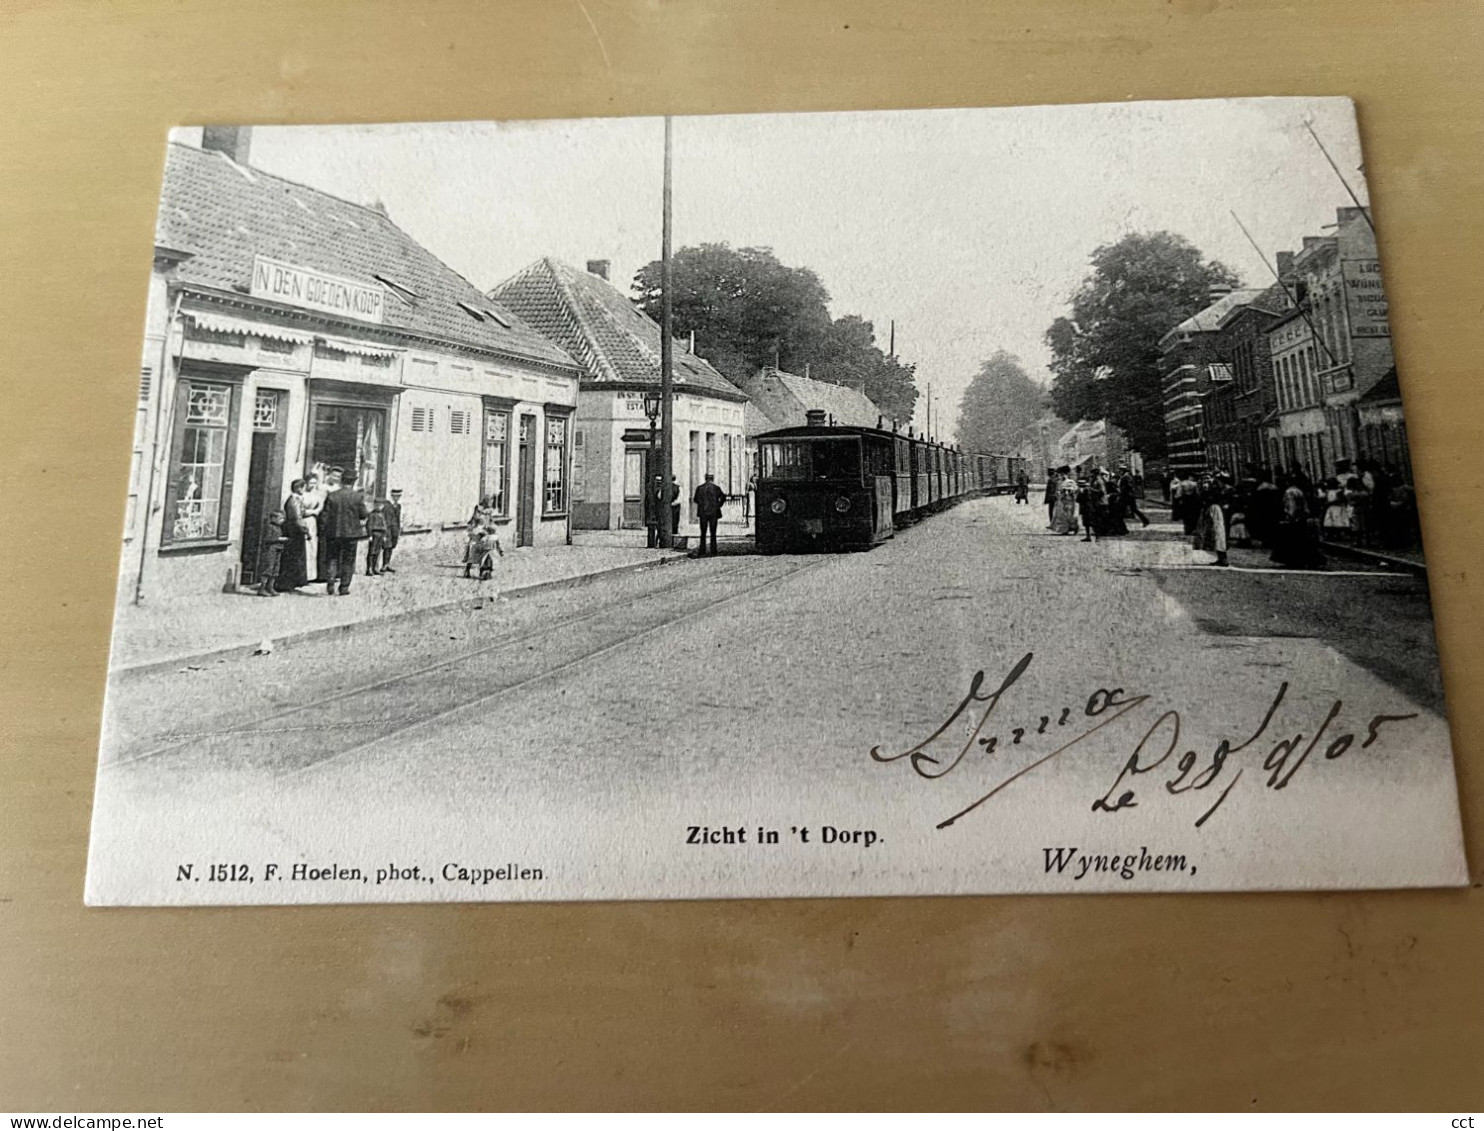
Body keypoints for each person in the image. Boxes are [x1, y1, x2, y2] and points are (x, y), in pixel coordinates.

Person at [319, 468, 369, 595]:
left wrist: (323, 531)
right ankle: (344, 587)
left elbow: (324, 516)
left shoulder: (332, 496)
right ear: (353, 482)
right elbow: (363, 515)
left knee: (332, 558)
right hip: (351, 535)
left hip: (334, 533)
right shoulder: (357, 497)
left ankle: (330, 582)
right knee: (348, 560)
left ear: (342, 481)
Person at [275, 478, 311, 591]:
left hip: (294, 529)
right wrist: (305, 530)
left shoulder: (296, 499)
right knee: (293, 557)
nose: (304, 490)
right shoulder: (294, 500)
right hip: (294, 531)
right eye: (303, 487)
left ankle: (290, 583)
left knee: (294, 557)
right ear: (299, 488)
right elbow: (297, 518)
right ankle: (287, 584)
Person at [1192, 478, 1229, 566]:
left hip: (1213, 510)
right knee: (1213, 534)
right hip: (1209, 510)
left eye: (1207, 482)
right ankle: (1220, 558)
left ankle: (1223, 558)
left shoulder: (1214, 491)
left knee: (1217, 533)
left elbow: (1207, 499)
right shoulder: (1210, 491)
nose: (1205, 484)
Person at [255, 510, 287, 597]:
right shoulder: (269, 527)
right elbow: (267, 539)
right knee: (268, 568)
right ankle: (262, 588)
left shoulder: (278, 528)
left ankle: (270, 587)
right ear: (273, 518)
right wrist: (279, 539)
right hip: (270, 550)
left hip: (278, 549)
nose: (282, 520)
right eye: (280, 518)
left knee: (275, 569)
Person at [694, 472, 726, 556]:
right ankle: (713, 551)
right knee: (713, 532)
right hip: (714, 513)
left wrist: (702, 505)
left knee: (703, 532)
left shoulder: (699, 488)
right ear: (713, 478)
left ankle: (702, 551)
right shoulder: (716, 488)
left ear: (705, 478)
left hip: (703, 513)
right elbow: (723, 497)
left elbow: (695, 499)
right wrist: (718, 505)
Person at [301, 473, 325, 582]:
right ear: (306, 483)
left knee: (312, 547)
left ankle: (311, 575)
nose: (313, 485)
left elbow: (320, 507)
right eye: (311, 483)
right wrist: (311, 512)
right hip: (303, 520)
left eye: (315, 483)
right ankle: (303, 574)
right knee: (304, 546)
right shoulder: (302, 494)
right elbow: (300, 510)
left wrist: (315, 512)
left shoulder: (317, 495)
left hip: (312, 521)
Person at [380, 488, 403, 572]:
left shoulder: (398, 506)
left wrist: (399, 528)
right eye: (395, 496)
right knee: (387, 546)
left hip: (395, 529)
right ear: (392, 496)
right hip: (388, 529)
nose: (396, 498)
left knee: (392, 545)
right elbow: (384, 519)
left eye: (398, 496)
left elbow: (398, 518)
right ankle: (384, 565)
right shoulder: (387, 506)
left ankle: (388, 563)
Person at [365, 498, 389, 576]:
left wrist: (385, 535)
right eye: (378, 505)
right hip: (374, 534)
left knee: (378, 552)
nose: (379, 507)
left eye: (381, 505)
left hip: (381, 534)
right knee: (372, 552)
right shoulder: (372, 514)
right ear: (375, 505)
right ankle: (369, 569)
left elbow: (385, 526)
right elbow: (369, 525)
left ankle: (375, 568)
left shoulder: (382, 514)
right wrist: (370, 535)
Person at [1051, 468, 1079, 535]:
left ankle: (1074, 527)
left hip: (1069, 500)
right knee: (1062, 515)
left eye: (1063, 474)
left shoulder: (1071, 481)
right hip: (1062, 500)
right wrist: (1058, 493)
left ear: (1067, 474)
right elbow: (1057, 491)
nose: (1062, 476)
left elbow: (1075, 489)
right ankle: (1065, 529)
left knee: (1070, 515)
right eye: (1061, 474)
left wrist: (1069, 491)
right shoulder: (1059, 482)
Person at [644, 475, 661, 548]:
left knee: (651, 527)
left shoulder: (649, 487)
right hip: (658, 510)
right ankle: (657, 542)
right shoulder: (661, 488)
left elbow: (646, 500)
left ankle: (651, 543)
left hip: (650, 510)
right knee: (659, 527)